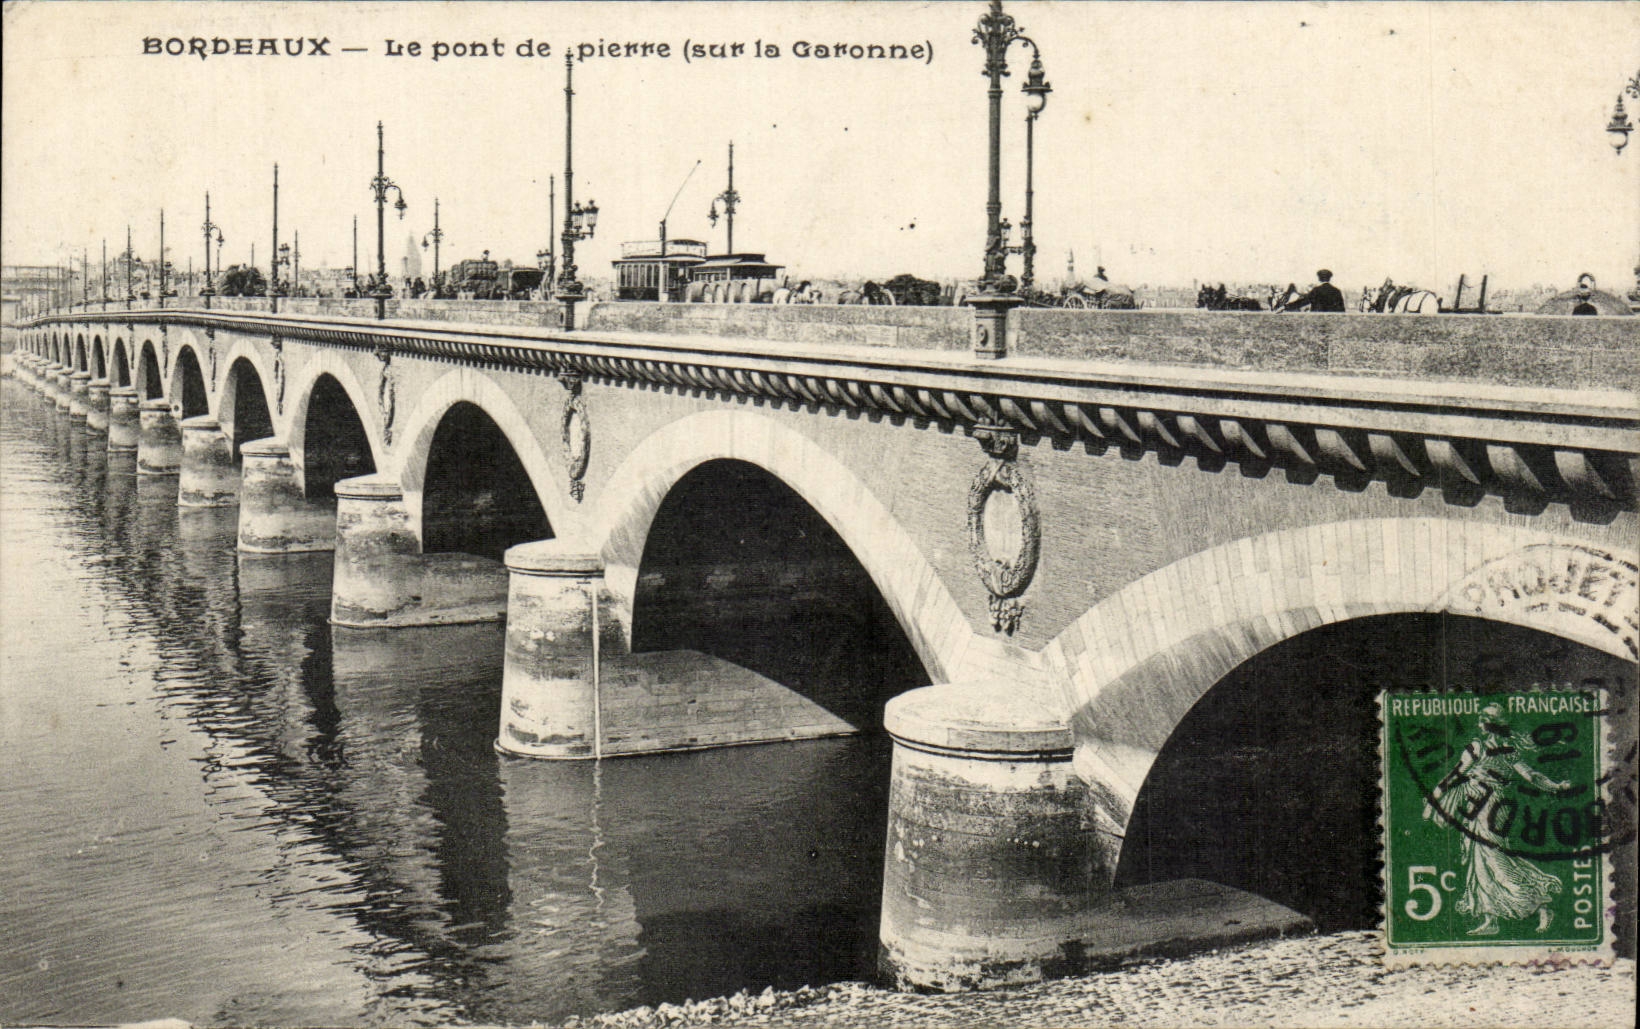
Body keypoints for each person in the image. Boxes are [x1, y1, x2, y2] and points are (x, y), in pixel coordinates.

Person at [1424, 703, 1572, 936]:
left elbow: (1455, 775)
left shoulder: (1481, 747)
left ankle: (1541, 907)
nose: (1479, 723)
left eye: (1482, 719)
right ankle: (1490, 919)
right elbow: (1532, 776)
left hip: (1488, 807)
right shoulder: (1505, 750)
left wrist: (1434, 796)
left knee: (1495, 859)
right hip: (1483, 805)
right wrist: (1556, 786)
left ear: (1489, 724)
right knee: (1479, 861)